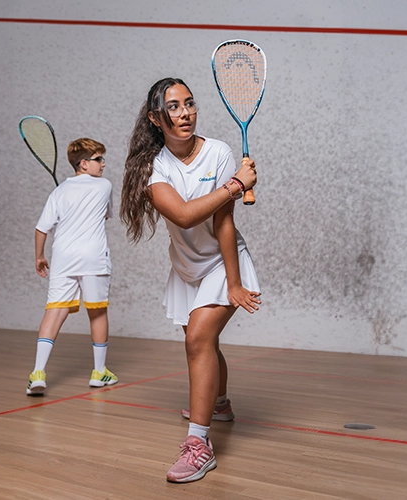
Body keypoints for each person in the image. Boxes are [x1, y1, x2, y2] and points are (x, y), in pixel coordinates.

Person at [120, 78, 260, 483]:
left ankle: (199, 445)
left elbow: (224, 221)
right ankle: (218, 403)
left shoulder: (216, 151)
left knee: (197, 340)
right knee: (206, 343)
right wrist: (237, 185)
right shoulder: (153, 166)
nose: (184, 113)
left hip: (222, 262)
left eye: (190, 104)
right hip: (185, 268)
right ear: (155, 118)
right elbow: (181, 214)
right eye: (174, 107)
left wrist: (233, 283)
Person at [26, 138, 118, 396]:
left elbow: (41, 228)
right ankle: (99, 373)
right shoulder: (104, 186)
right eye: (99, 159)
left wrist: (39, 257)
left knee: (54, 312)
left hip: (63, 259)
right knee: (97, 313)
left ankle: (37, 374)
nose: (104, 164)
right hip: (93, 259)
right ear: (84, 164)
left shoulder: (59, 192)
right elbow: (107, 214)